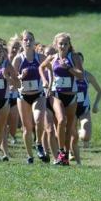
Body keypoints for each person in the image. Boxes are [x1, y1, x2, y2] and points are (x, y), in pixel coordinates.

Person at [39, 33, 83, 166]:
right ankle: (61, 152)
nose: (63, 46)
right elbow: (41, 67)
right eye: (60, 44)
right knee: (61, 120)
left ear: (69, 45)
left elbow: (81, 75)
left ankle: (65, 157)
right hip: (56, 94)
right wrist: (45, 80)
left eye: (65, 44)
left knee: (69, 127)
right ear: (56, 45)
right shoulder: (52, 58)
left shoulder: (74, 58)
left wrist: (69, 68)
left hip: (71, 95)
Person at [12, 31, 46, 164]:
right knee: (27, 127)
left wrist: (47, 81)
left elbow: (50, 68)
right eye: (25, 40)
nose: (28, 42)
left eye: (30, 40)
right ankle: (29, 156)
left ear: (34, 42)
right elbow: (13, 79)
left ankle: (38, 144)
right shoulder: (18, 59)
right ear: (22, 42)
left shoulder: (40, 58)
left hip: (38, 94)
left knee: (38, 119)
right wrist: (20, 77)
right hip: (23, 96)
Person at [71, 52, 101, 165]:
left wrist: (95, 105)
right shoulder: (69, 74)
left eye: (80, 61)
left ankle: (79, 132)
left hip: (84, 109)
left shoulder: (87, 75)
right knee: (72, 135)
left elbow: (99, 91)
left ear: (82, 62)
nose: (78, 63)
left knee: (86, 137)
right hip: (71, 108)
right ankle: (71, 153)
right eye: (76, 61)